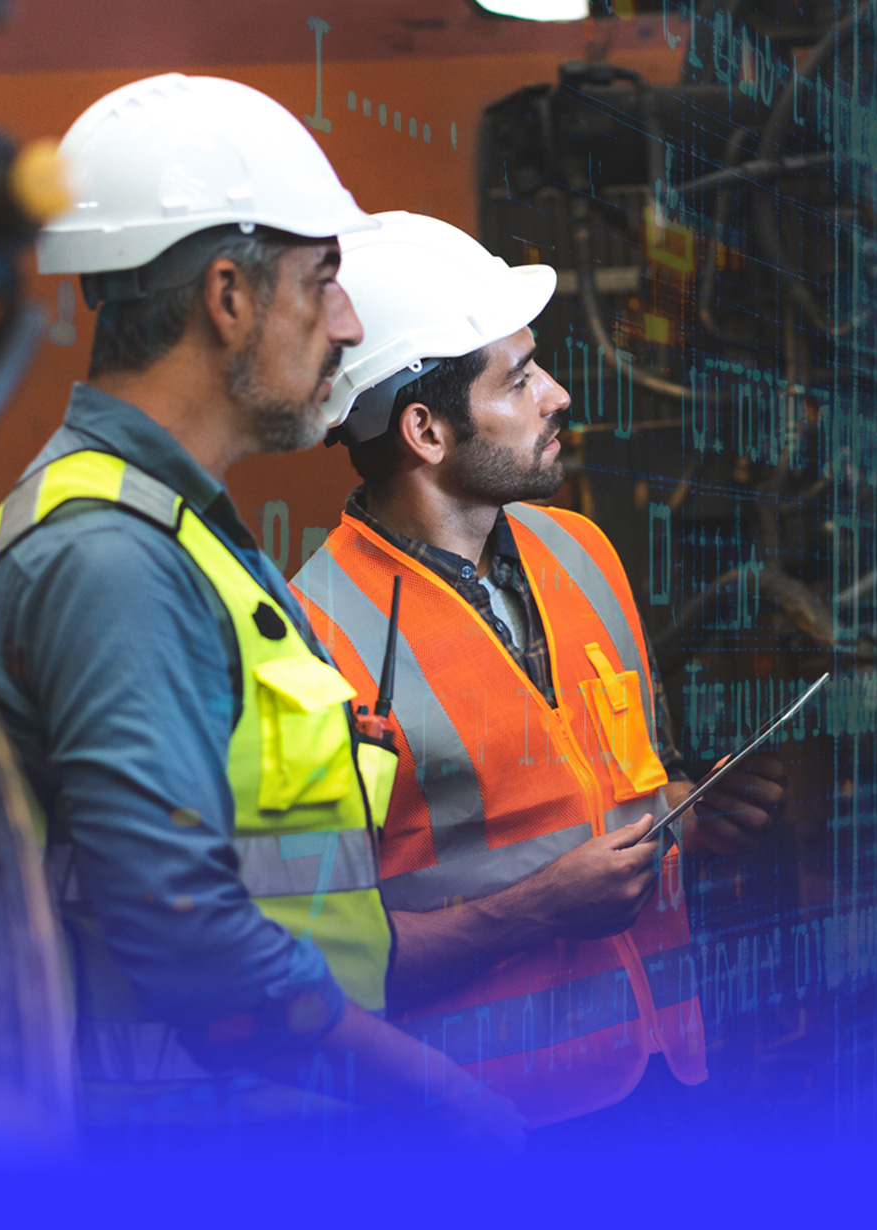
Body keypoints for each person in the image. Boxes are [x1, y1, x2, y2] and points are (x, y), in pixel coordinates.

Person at [0, 80, 525, 1143]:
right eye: (325, 281)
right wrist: (427, 1092)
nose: (349, 323)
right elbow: (188, 930)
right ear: (228, 297)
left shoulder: (181, 531)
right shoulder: (110, 560)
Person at [292, 211, 786, 1132]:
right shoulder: (312, 638)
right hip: (494, 1121)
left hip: (665, 1077)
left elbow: (625, 784)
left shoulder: (585, 552)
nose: (557, 394)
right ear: (426, 431)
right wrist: (536, 910)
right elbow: (321, 964)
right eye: (518, 379)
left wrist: (693, 812)